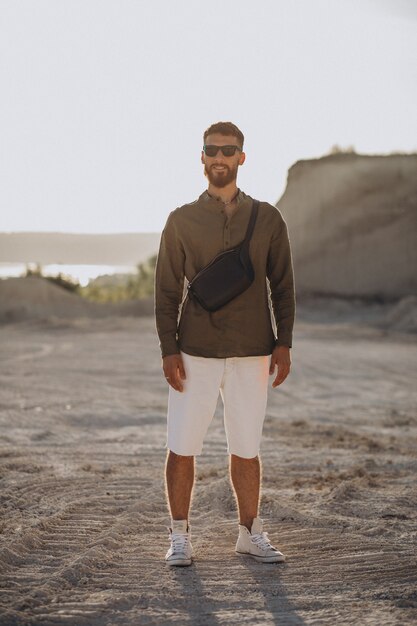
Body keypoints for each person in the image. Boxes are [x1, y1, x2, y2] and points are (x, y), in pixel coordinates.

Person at [155, 121, 295, 566]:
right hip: (194, 350)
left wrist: (284, 342)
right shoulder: (180, 220)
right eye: (212, 149)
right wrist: (168, 348)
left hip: (254, 350)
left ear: (241, 157)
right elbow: (165, 292)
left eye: (228, 150)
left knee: (247, 448)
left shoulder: (268, 218)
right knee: (182, 445)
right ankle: (179, 536)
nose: (220, 157)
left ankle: (250, 534)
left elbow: (283, 286)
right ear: (201, 156)